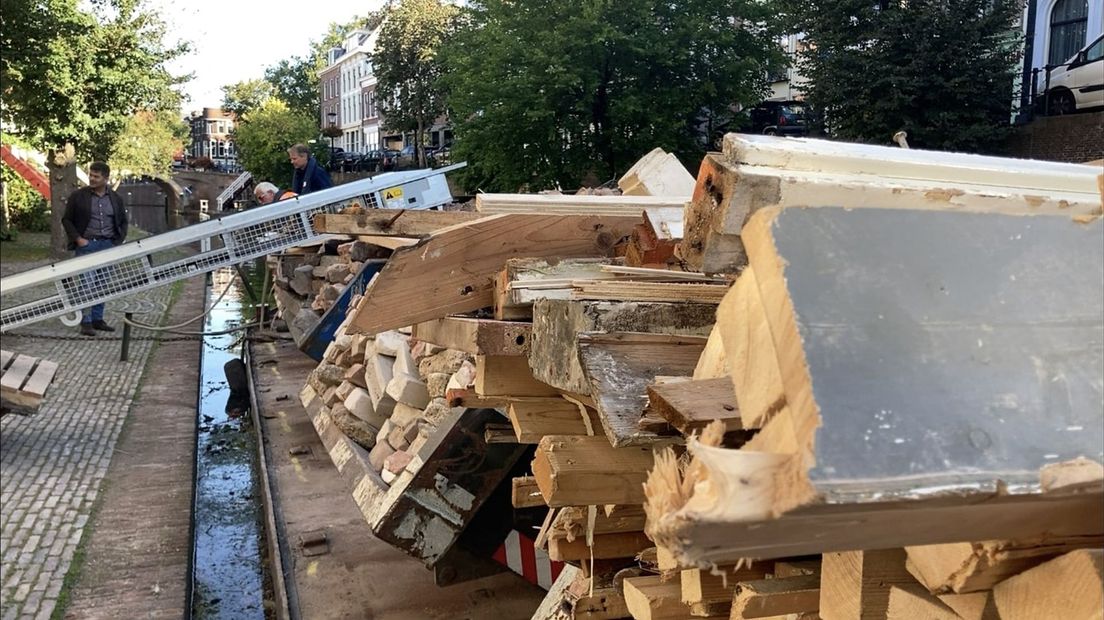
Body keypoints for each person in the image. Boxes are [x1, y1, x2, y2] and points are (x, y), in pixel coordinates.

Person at [61, 161, 129, 337]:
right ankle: (86, 321)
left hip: (108, 245)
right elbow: (67, 220)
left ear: (105, 178)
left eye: (96, 176)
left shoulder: (115, 198)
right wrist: (78, 239)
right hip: (87, 245)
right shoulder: (78, 196)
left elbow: (122, 221)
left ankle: (98, 319)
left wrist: (117, 242)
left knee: (102, 285)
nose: (91, 178)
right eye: (90, 175)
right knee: (86, 284)